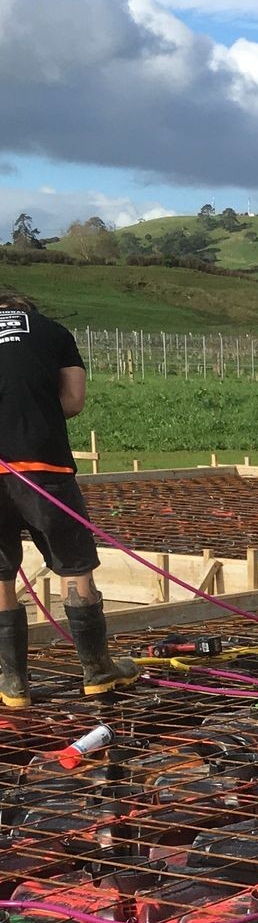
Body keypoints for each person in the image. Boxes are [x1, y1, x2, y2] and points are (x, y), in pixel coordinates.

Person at [0, 289, 137, 709]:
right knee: (74, 566)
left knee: (0, 575)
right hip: (46, 469)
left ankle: (13, 685)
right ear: (28, 313)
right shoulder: (54, 332)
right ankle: (97, 672)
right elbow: (73, 402)